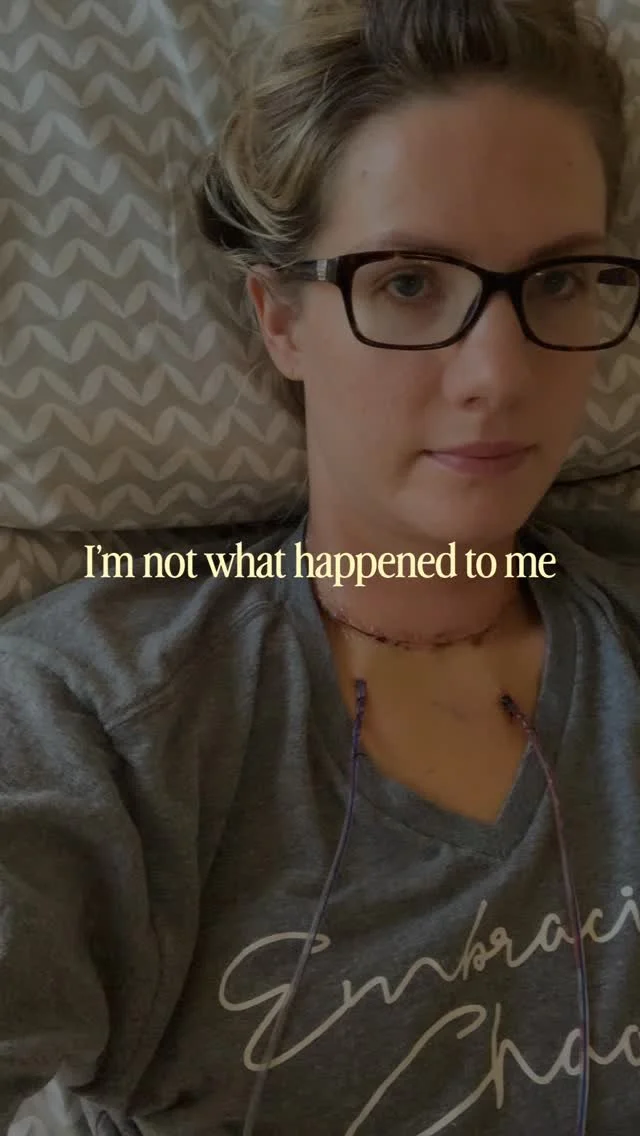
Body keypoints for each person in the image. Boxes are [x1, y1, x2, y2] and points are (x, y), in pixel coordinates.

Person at [1, 0, 640, 1133]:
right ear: (280, 320)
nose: (497, 374)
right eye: (408, 282)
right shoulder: (101, 715)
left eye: (557, 281)